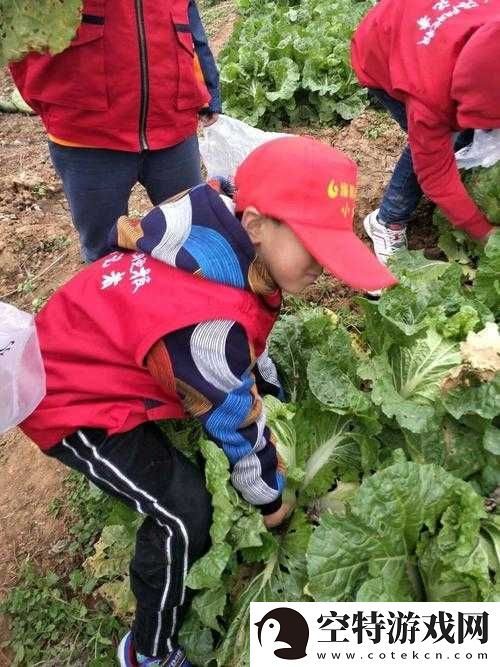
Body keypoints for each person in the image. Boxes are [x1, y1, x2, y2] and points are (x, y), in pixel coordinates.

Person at [19, 136, 397, 666]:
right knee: (182, 513)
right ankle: (149, 649)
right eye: (314, 246)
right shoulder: (210, 328)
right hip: (68, 398)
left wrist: (261, 377)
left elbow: (241, 341)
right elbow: (232, 417)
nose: (324, 265)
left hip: (89, 337)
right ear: (258, 225)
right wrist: (270, 500)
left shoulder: (214, 219)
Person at [9, 0, 221, 263]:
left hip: (172, 123)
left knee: (192, 237)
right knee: (105, 255)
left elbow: (187, 16)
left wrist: (210, 91)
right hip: (87, 134)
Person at [351, 0, 499, 265]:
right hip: (380, 48)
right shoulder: (430, 99)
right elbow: (435, 174)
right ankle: (387, 222)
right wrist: (486, 235)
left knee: (466, 135)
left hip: (422, 19)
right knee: (442, 146)